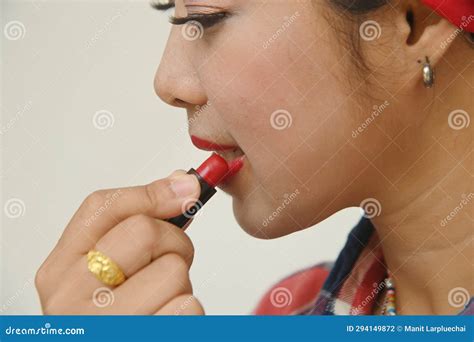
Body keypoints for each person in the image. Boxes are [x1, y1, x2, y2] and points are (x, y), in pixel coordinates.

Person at [36, 0, 473, 315]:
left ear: (415, 25)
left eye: (207, 18)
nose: (168, 83)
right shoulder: (285, 309)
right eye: (174, 13)